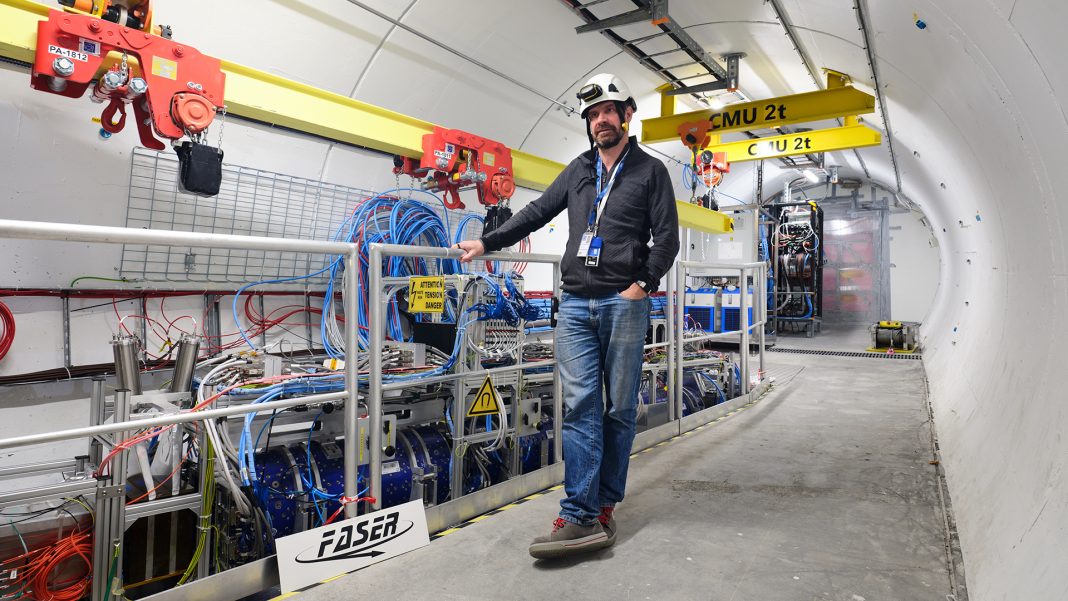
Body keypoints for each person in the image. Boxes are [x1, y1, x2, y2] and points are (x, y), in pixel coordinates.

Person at [454, 73, 679, 559]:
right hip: (575, 303)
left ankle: (604, 506)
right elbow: (537, 211)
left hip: (624, 302)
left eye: (608, 111)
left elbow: (668, 237)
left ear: (627, 114)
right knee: (580, 408)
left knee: (619, 409)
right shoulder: (578, 170)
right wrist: (488, 242)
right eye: (593, 115)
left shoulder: (650, 172)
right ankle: (578, 513)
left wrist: (642, 285)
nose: (601, 121)